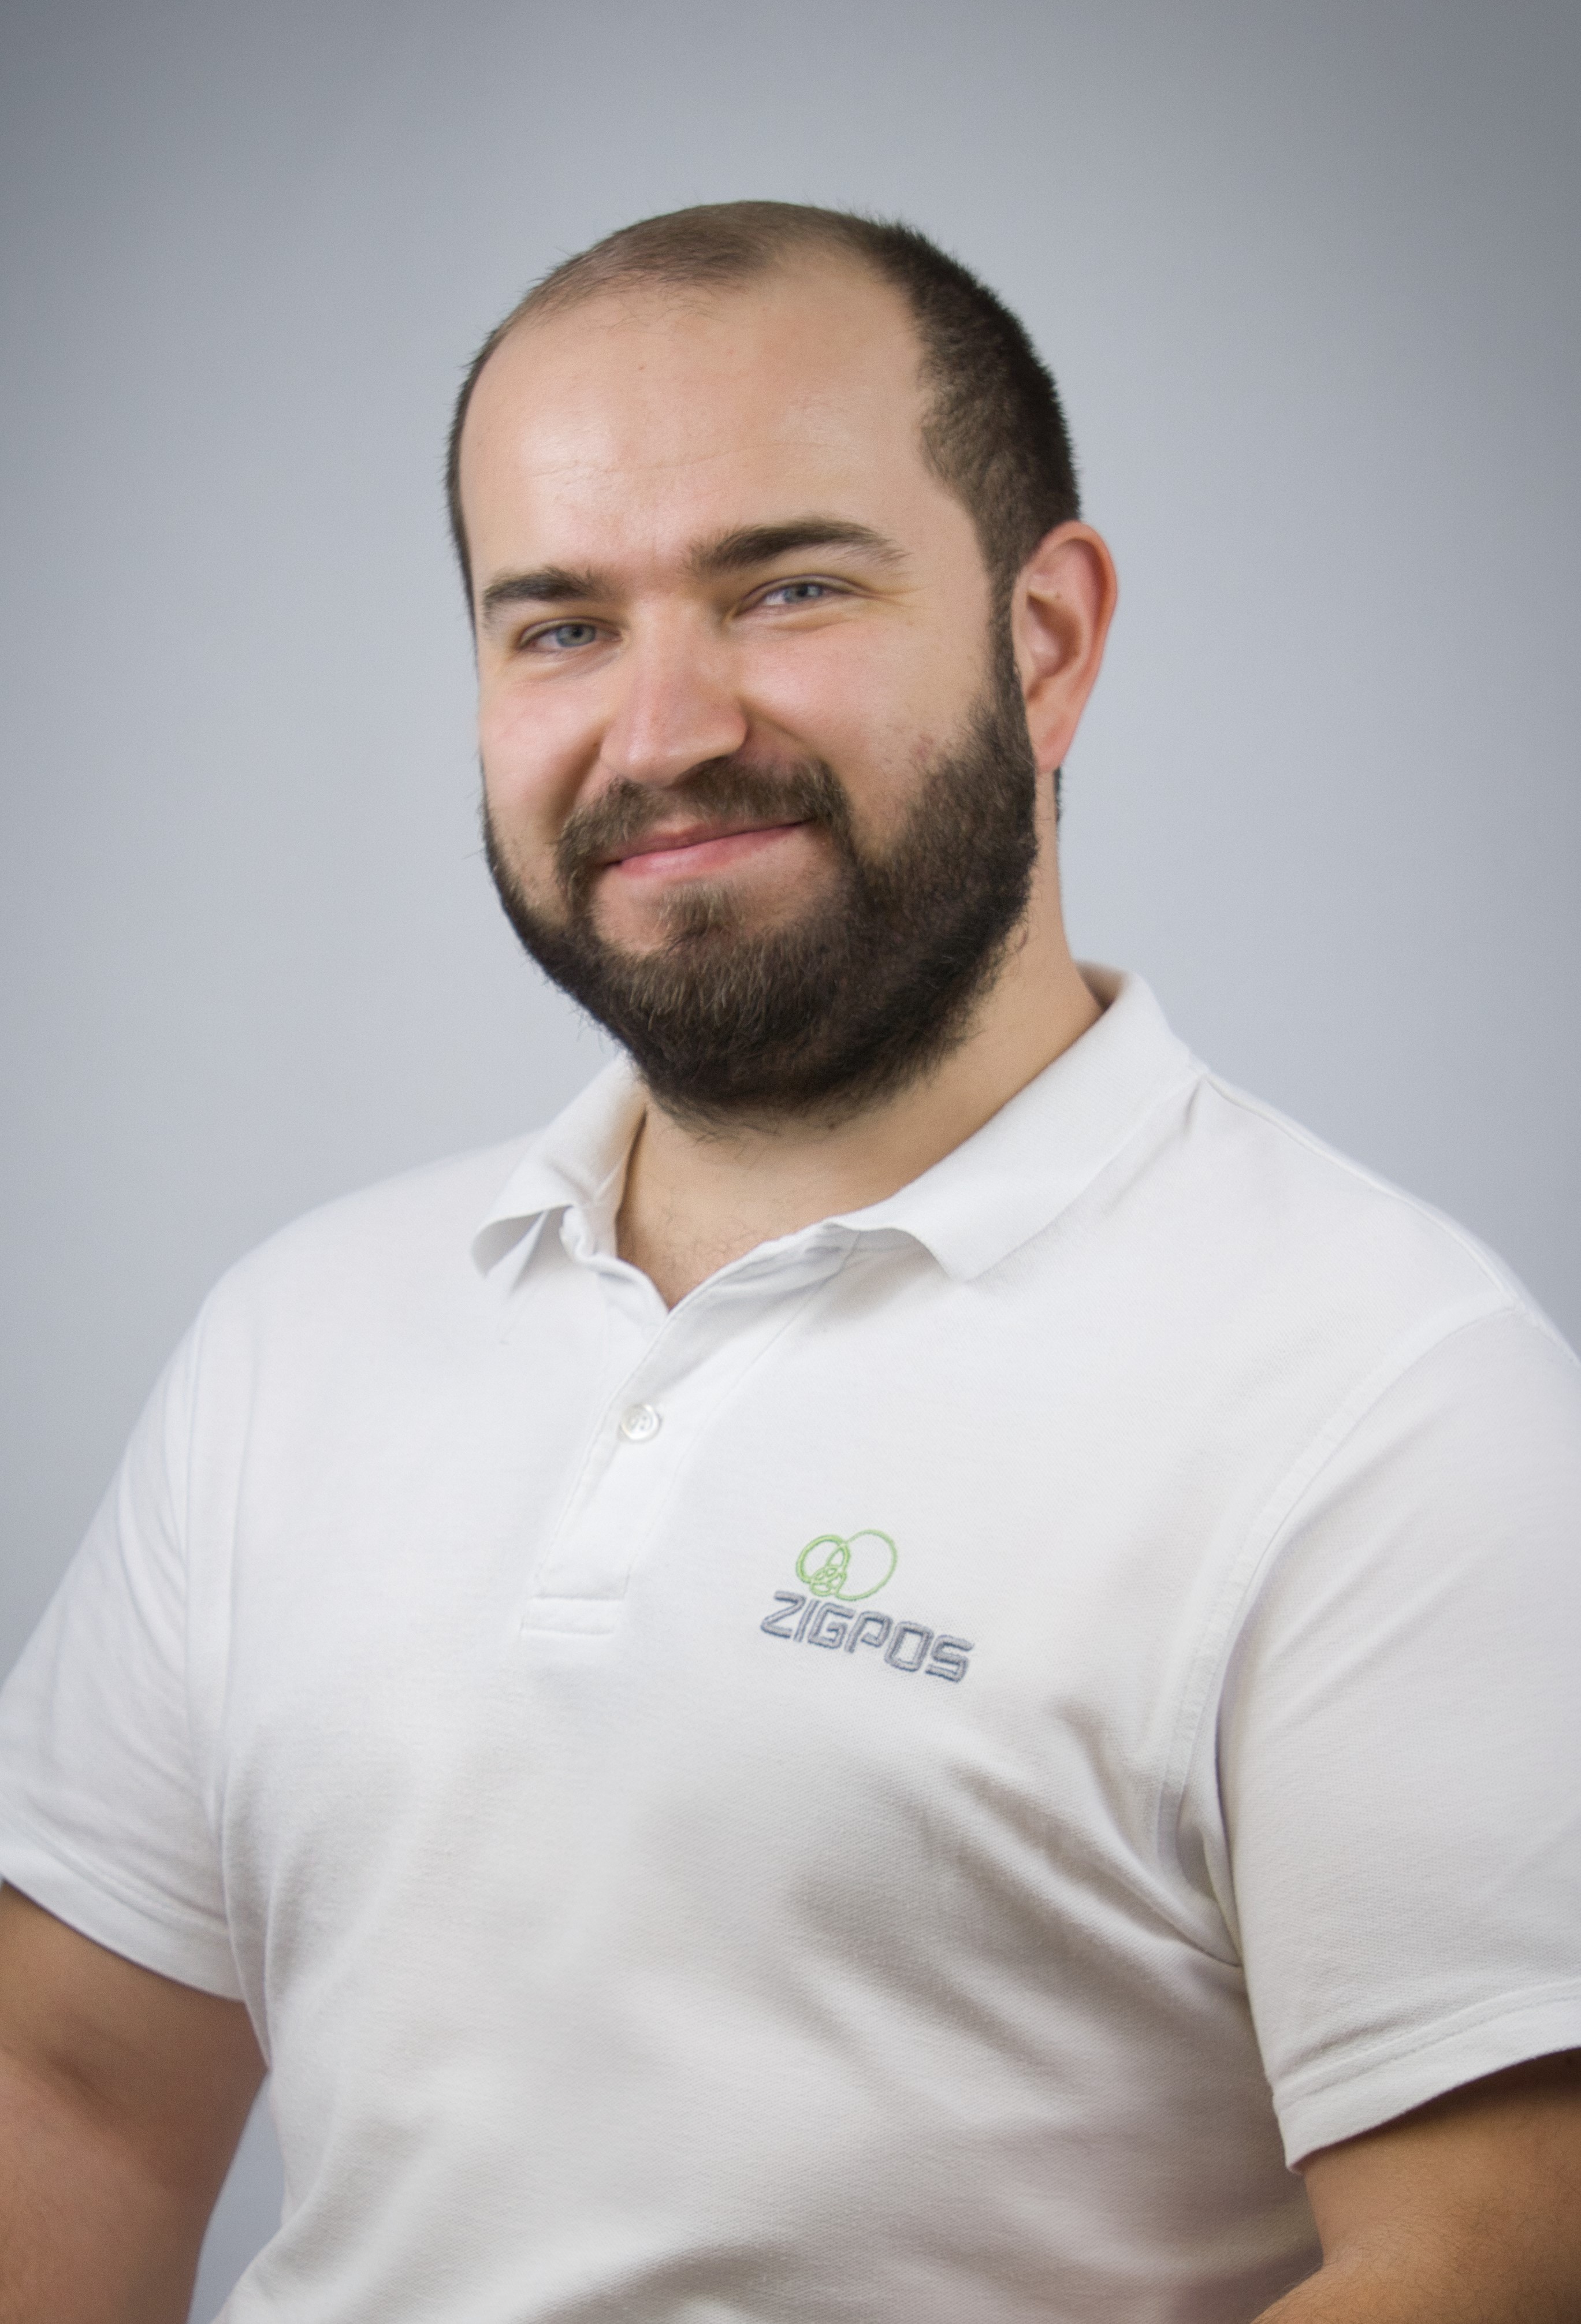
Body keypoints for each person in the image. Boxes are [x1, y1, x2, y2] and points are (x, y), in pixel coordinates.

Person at [0, 200, 1577, 2324]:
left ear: (1046, 639)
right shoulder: (298, 1339)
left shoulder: (1388, 1394)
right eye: (560, 625)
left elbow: (1500, 2253)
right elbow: (74, 2091)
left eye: (787, 588)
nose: (661, 728)